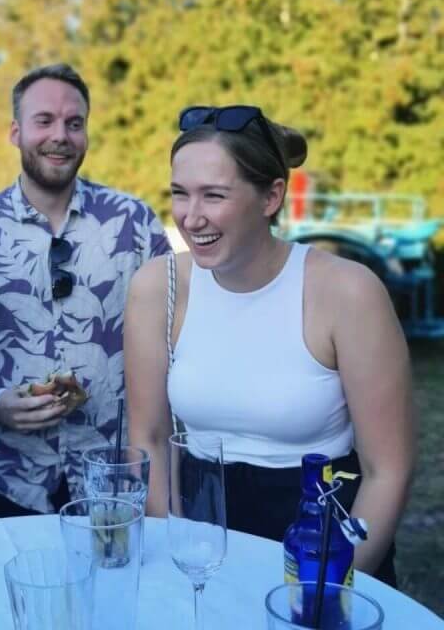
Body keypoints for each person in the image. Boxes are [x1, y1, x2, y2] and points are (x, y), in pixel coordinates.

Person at [124, 104, 415, 585]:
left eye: (214, 196)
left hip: (321, 535)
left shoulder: (347, 291)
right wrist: (178, 555)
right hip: (202, 535)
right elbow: (148, 440)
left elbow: (389, 471)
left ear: (271, 197)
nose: (191, 217)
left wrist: (331, 586)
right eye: (180, 194)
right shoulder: (158, 287)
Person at [0, 63, 171, 519]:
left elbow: (176, 331)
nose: (60, 135)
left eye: (74, 123)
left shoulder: (135, 223)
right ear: (15, 132)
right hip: (4, 481)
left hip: (112, 478)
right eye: (43, 121)